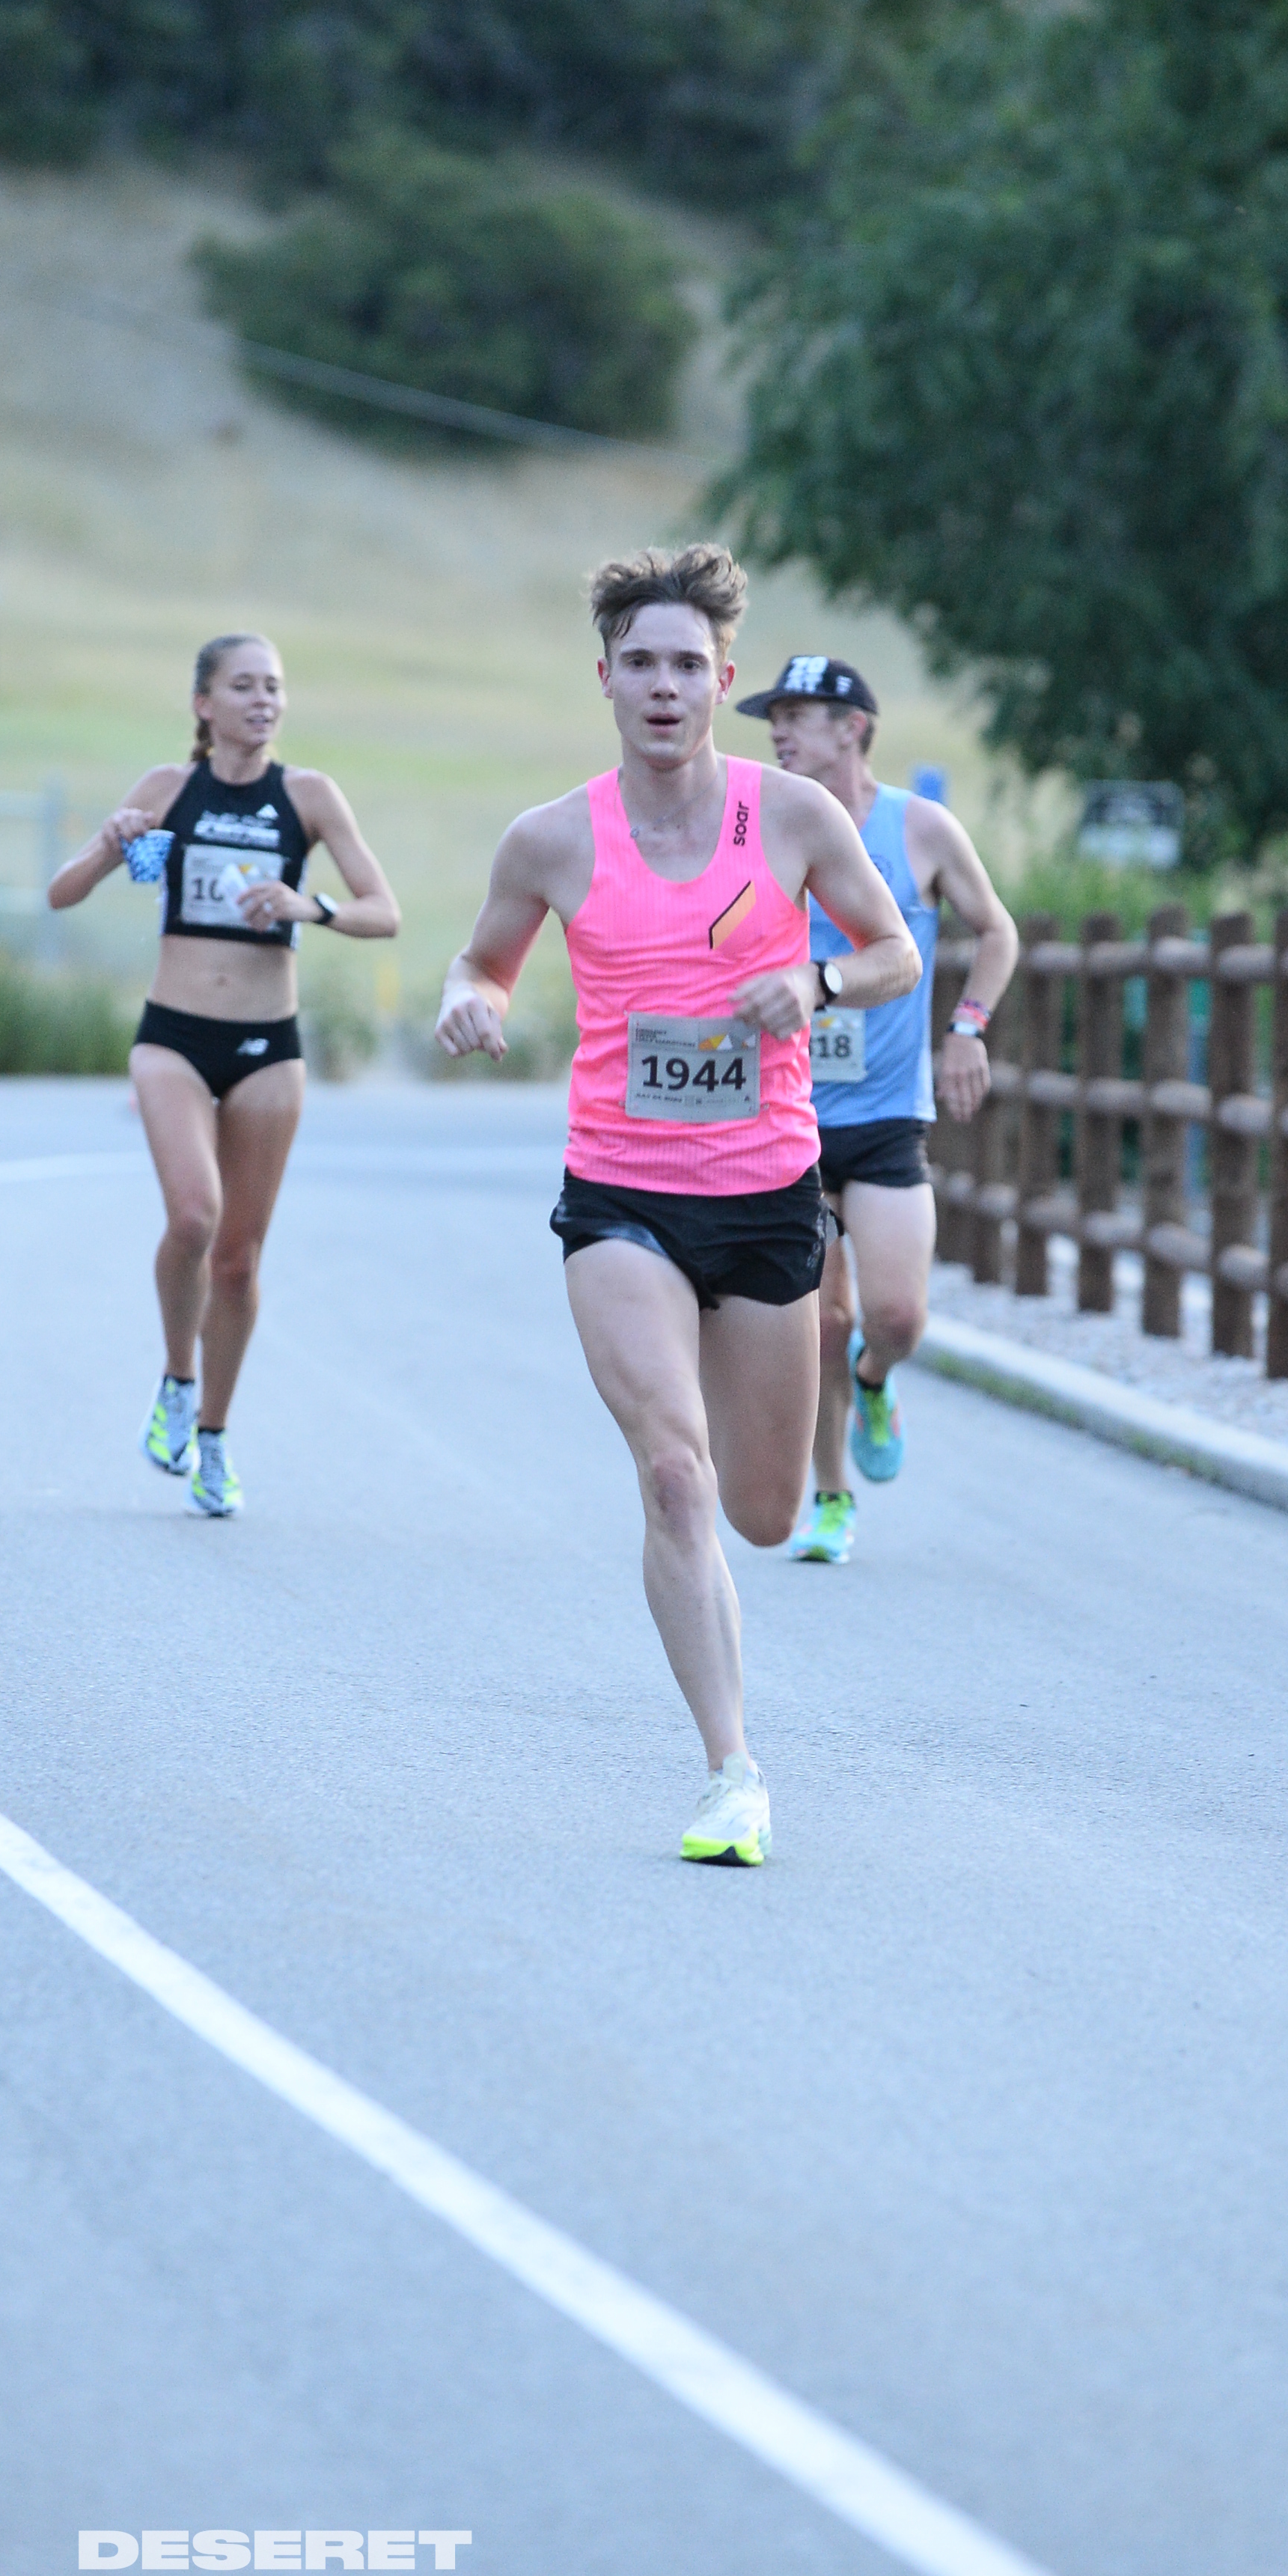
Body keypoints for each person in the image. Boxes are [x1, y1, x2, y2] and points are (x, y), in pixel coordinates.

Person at [437, 547, 920, 1864]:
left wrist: (815, 986)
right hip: (620, 1195)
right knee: (671, 1473)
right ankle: (731, 1772)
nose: (664, 686)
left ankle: (795, 1435)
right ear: (603, 679)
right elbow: (482, 960)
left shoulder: (795, 817)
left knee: (763, 1511)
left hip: (765, 1193)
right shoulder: (551, 838)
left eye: (688, 666)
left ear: (721, 682)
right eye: (640, 663)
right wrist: (471, 1000)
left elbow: (894, 952)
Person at [49, 632, 398, 1513]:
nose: (263, 700)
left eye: (273, 686)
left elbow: (382, 910)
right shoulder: (169, 788)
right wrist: (108, 843)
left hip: (266, 1047)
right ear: (204, 704)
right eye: (243, 686)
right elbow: (62, 891)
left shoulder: (308, 796)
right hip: (172, 1036)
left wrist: (308, 906)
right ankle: (175, 1379)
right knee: (193, 1216)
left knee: (238, 1262)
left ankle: (212, 1435)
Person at [738, 656, 1017, 1563]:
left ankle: (872, 1380)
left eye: (797, 715)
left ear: (852, 727)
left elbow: (995, 930)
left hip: (890, 1116)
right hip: (789, 1117)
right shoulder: (764, 826)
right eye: (772, 717)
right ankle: (830, 1499)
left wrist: (967, 1028)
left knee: (894, 1320)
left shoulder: (919, 829)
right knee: (820, 1319)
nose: (778, 733)